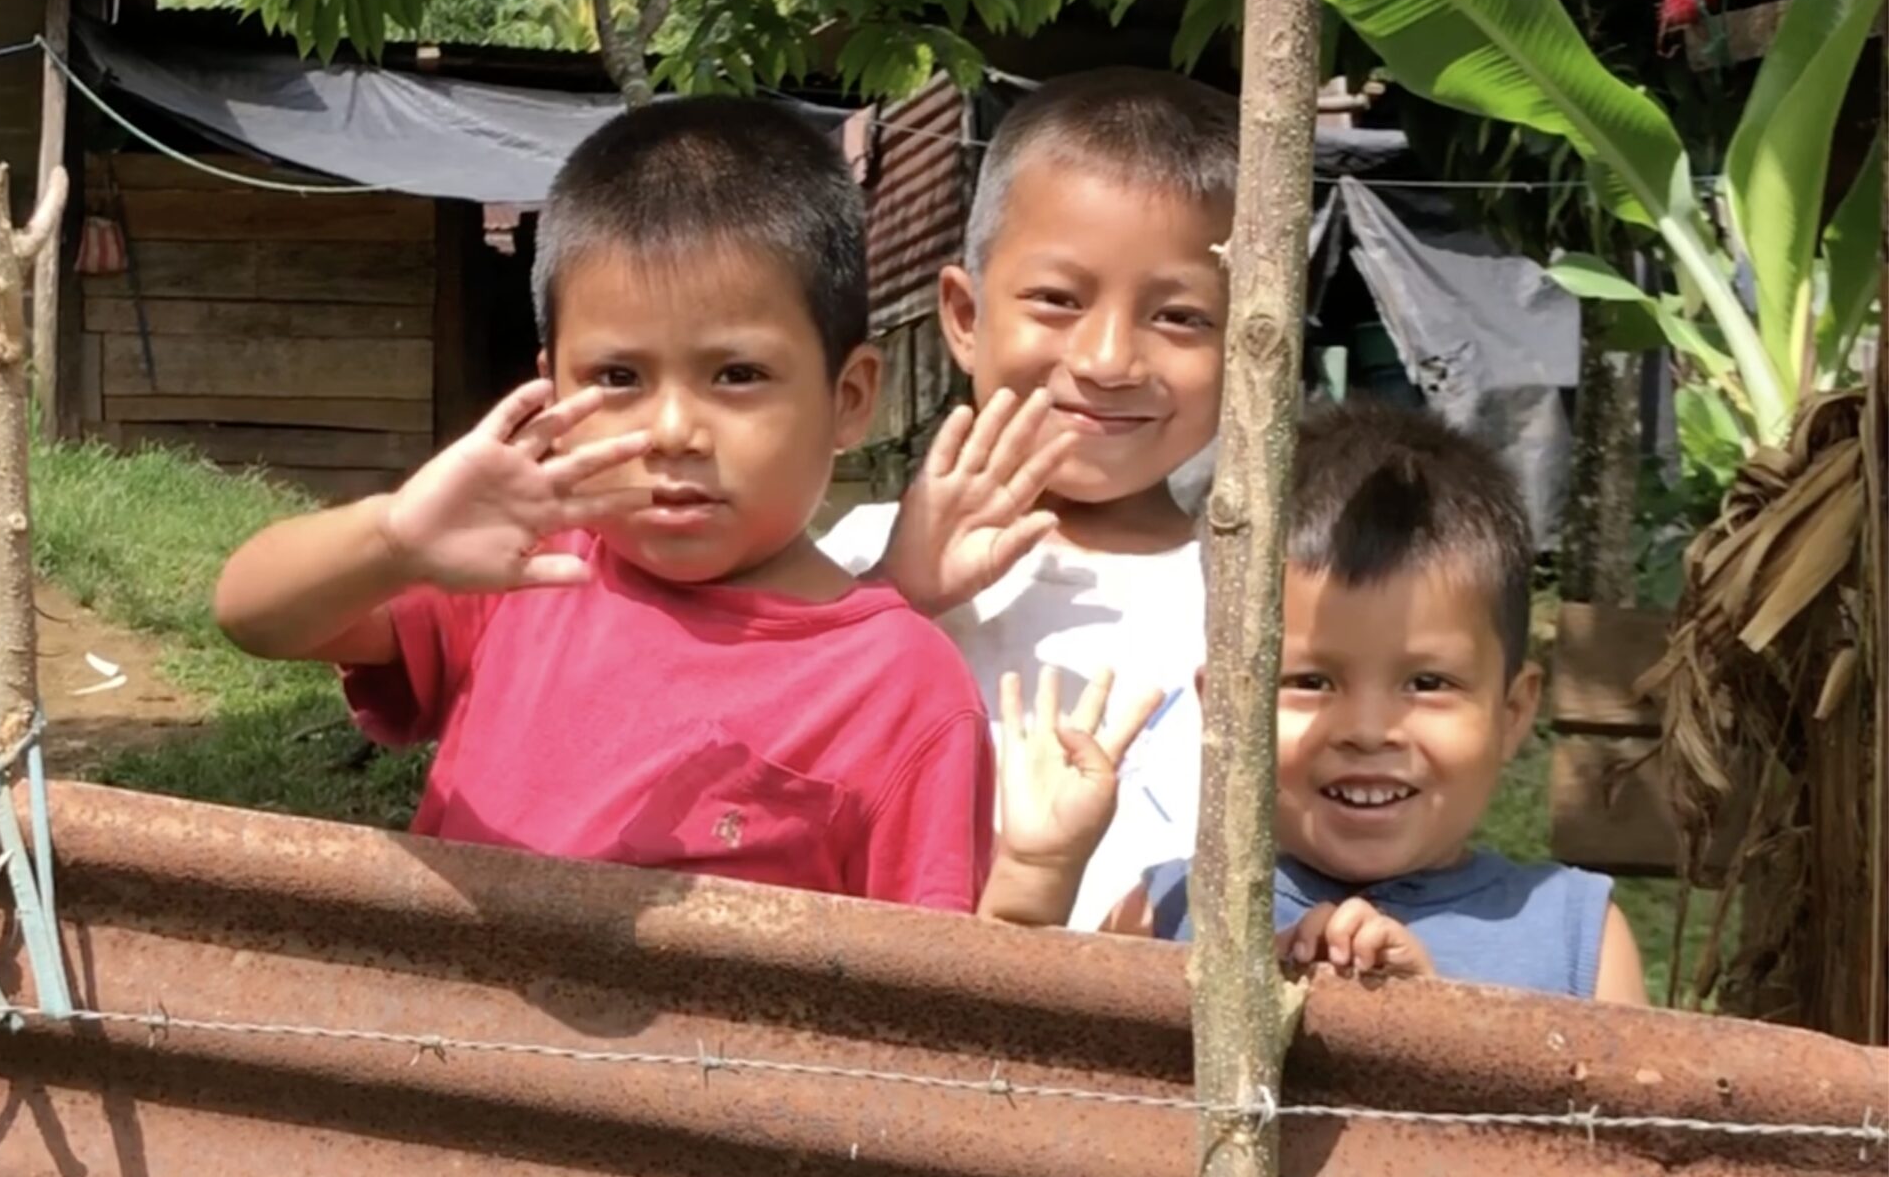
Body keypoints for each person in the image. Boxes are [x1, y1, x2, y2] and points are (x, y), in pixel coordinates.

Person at [214, 97, 993, 910]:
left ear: (850, 397)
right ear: (552, 388)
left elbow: (919, 988)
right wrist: (395, 538)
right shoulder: (522, 576)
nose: (673, 431)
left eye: (737, 375)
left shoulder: (899, 689)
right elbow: (252, 615)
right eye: (618, 378)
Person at [982, 404, 1650, 1003]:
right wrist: (1035, 878)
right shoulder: (1170, 912)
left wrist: (1441, 1033)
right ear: (1226, 713)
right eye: (1311, 681)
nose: (1366, 730)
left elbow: (1613, 1143)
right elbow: (1042, 1102)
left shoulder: (1576, 942)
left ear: (1512, 713)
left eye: (1426, 684)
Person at [817, 68, 1238, 928]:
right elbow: (761, 745)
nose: (1109, 359)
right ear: (965, 318)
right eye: (1057, 300)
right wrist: (902, 596)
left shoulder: (1260, 602)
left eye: (1181, 317)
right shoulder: (860, 559)